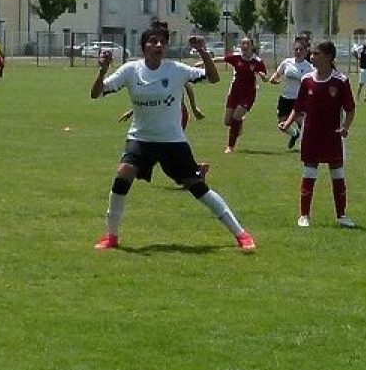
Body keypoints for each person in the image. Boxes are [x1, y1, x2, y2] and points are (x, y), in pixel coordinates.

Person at [90, 21, 256, 252]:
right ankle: (111, 237)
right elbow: (96, 93)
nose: (158, 45)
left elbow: (213, 78)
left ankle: (241, 234)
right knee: (123, 175)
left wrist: (203, 52)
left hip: (172, 141)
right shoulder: (130, 70)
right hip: (141, 139)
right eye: (153, 41)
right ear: (143, 46)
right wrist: (102, 71)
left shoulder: (176, 69)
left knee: (197, 187)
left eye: (162, 42)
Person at [279, 41, 356, 228]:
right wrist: (288, 123)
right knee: (309, 173)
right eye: (311, 53)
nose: (311, 57)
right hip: (311, 134)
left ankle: (342, 215)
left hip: (333, 135)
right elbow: (298, 107)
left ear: (329, 57)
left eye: (316, 54)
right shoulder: (307, 80)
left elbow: (350, 109)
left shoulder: (341, 81)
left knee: (337, 175)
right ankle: (304, 215)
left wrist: (345, 126)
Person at [209, 37, 268, 153]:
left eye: (247, 44)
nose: (245, 46)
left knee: (235, 118)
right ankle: (239, 122)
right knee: (227, 121)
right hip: (235, 92)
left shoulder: (257, 61)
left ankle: (230, 146)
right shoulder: (236, 58)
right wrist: (203, 62)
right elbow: (221, 59)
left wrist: (263, 76)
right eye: (243, 44)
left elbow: (266, 78)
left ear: (252, 46)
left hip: (248, 94)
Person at [269, 37, 314, 150]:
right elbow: (277, 74)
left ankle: (307, 146)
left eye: (301, 49)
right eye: (296, 49)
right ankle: (295, 134)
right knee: (282, 125)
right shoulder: (287, 62)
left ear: (305, 51)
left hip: (299, 99)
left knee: (301, 122)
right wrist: (273, 79)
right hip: (285, 98)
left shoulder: (309, 67)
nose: (298, 52)